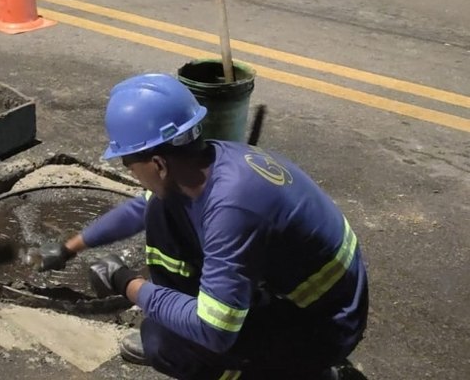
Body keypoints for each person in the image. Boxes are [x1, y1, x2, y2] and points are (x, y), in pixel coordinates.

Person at [32, 73, 369, 380]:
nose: (130, 172)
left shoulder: (232, 207)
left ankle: (297, 374)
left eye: (128, 163)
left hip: (325, 325)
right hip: (297, 295)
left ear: (158, 164)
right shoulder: (206, 163)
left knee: (163, 342)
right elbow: (139, 209)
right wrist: (69, 247)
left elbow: (216, 329)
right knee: (159, 214)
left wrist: (126, 283)